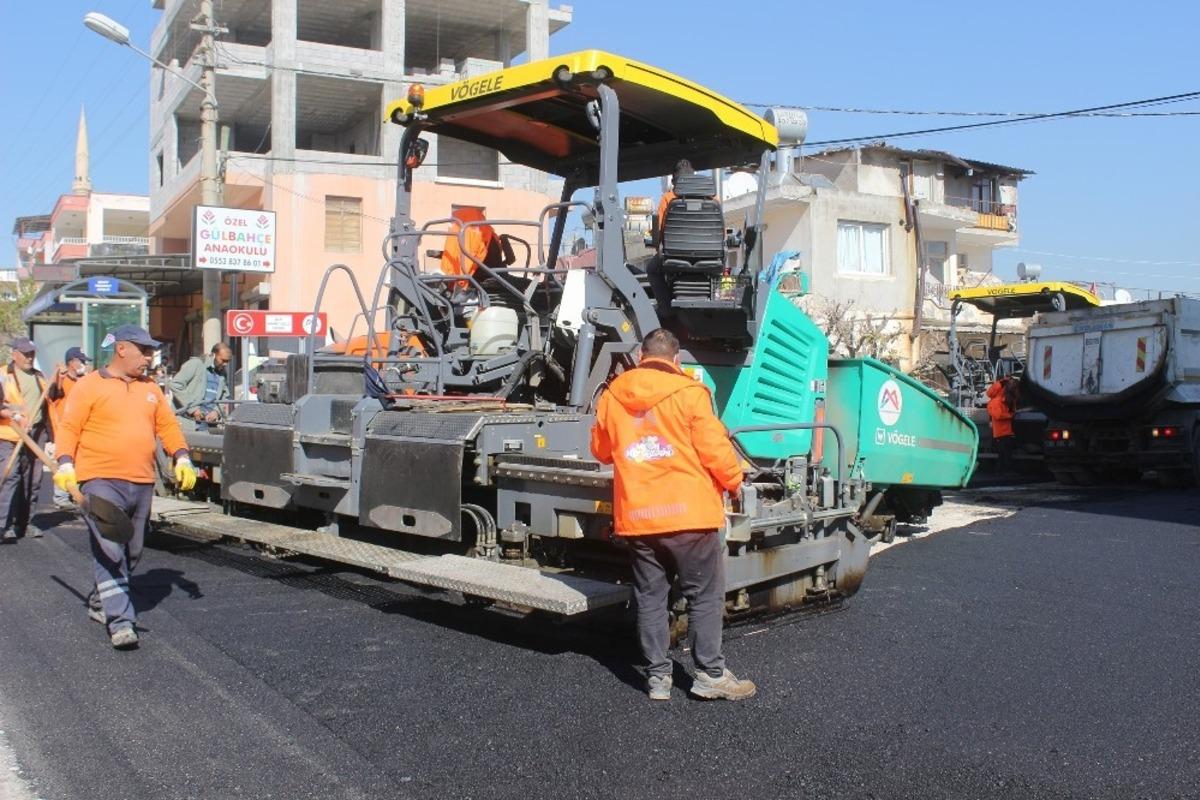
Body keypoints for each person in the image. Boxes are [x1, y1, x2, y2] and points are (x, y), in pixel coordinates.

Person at [590, 328, 755, 702]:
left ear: (640, 355)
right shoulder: (690, 393)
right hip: (689, 516)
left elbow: (601, 450)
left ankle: (658, 678)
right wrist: (734, 481)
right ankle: (710, 675)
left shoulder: (613, 394)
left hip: (639, 516)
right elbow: (715, 451)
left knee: (650, 598)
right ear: (676, 359)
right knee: (704, 597)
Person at [53, 325, 197, 649]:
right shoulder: (90, 385)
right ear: (121, 349)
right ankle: (121, 622)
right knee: (110, 547)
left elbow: (168, 426)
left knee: (131, 551)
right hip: (99, 480)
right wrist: (65, 462)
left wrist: (183, 457)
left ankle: (99, 599)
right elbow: (70, 426)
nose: (149, 358)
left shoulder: (151, 389)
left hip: (142, 481)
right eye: (144, 351)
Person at [0, 337, 50, 543]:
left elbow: (51, 400)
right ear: (15, 354)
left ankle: (25, 522)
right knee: (10, 477)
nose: (30, 357)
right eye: (26, 353)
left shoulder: (39, 376)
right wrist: (12, 415)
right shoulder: (3, 375)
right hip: (9, 435)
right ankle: (4, 524)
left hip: (36, 434)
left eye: (32, 353)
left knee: (33, 480)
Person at [47, 346, 91, 509]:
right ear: (72, 362)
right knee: (65, 462)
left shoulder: (82, 382)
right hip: (64, 429)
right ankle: (62, 496)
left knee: (78, 462)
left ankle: (73, 493)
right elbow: (53, 394)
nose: (84, 364)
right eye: (82, 361)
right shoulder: (63, 381)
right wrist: (57, 376)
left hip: (80, 429)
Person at [168, 342, 232, 431]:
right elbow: (175, 384)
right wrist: (193, 408)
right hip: (189, 422)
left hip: (209, 425)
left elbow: (225, 397)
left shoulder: (222, 373)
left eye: (228, 361)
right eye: (223, 360)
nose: (225, 364)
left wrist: (216, 412)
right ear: (214, 355)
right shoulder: (196, 364)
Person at [987, 375, 1018, 473]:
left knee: (1004, 453)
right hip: (1002, 432)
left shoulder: (1006, 400)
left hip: (1005, 432)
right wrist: (1010, 415)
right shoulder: (996, 402)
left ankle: (1001, 470)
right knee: (1005, 453)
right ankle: (1004, 471)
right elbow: (998, 415)